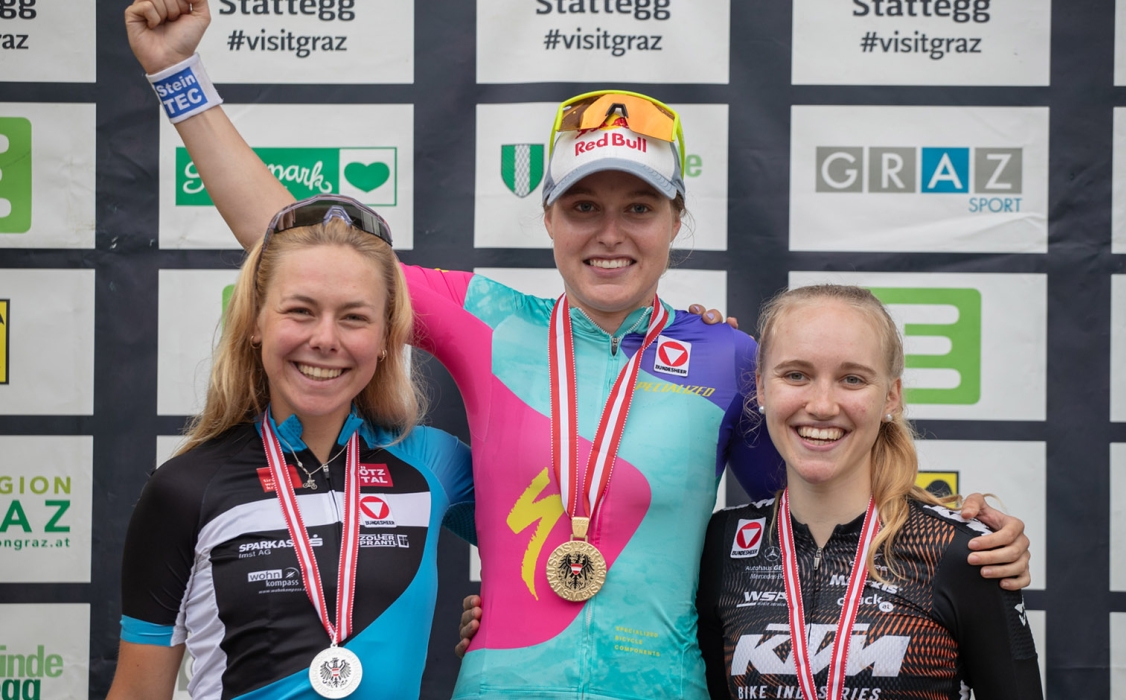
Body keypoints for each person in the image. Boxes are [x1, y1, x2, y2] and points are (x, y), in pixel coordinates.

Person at [124, 3, 1033, 697]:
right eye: (583, 206)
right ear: (549, 215)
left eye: (638, 207)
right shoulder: (488, 319)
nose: (611, 233)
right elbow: (300, 251)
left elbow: (827, 482)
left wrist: (968, 531)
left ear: (676, 220)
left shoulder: (727, 358)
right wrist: (177, 79)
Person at [108, 197, 474, 700]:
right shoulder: (185, 488)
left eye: (353, 318)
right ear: (256, 323)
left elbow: (568, 543)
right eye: (300, 311)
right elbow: (137, 693)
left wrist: (503, 626)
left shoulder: (434, 463)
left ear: (387, 336)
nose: (325, 339)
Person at [696, 285, 1043, 699]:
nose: (822, 405)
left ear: (890, 397)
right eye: (796, 375)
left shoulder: (962, 552)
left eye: (852, 379)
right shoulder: (722, 543)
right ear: (761, 389)